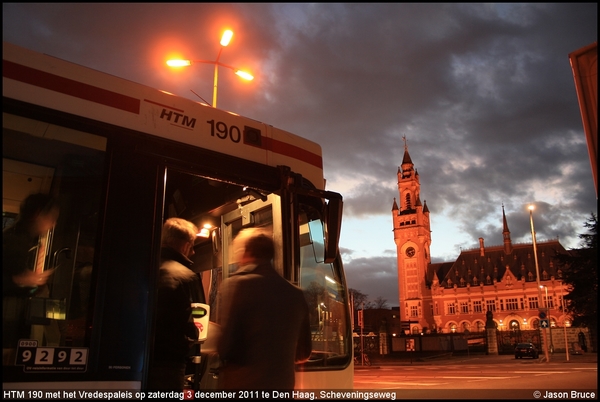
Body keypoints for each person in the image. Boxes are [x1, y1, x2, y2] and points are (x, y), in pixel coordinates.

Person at [216, 228, 312, 390]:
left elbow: (226, 348)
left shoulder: (237, 285)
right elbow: (303, 353)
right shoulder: (296, 294)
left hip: (244, 388)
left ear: (247, 252)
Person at [148, 217, 205, 390]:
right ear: (185, 244)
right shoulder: (187, 277)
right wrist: (192, 337)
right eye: (192, 244)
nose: (193, 251)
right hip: (169, 363)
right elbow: (196, 319)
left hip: (134, 358)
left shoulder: (142, 268)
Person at [3, 193, 59, 365]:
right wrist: (20, 281)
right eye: (51, 217)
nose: (52, 224)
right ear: (37, 214)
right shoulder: (13, 241)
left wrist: (34, 285)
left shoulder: (24, 241)